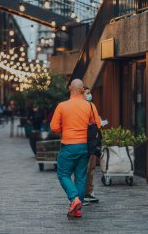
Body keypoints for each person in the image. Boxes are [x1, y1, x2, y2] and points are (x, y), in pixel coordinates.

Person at [50, 79, 101, 218]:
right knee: (81, 177)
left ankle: (74, 199)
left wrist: (64, 128)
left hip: (68, 146)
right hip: (85, 147)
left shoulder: (62, 106)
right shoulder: (90, 106)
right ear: (82, 89)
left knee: (63, 174)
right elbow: (98, 125)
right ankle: (77, 209)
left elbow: (54, 127)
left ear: (69, 89)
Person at [82, 86, 99, 205]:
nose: (90, 95)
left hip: (90, 140)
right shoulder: (83, 107)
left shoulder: (92, 106)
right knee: (84, 168)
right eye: (87, 93)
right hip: (86, 140)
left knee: (91, 167)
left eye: (90, 93)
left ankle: (88, 191)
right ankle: (83, 193)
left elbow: (96, 122)